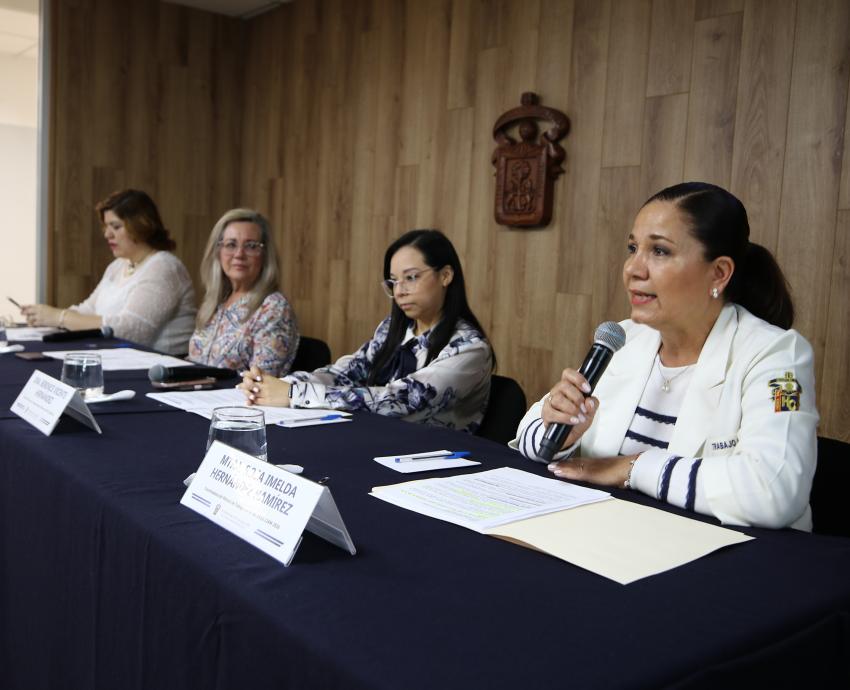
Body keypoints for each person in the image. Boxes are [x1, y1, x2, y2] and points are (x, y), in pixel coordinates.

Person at [512, 182, 818, 530]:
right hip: (609, 536)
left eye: (659, 251)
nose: (633, 269)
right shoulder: (624, 338)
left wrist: (631, 467)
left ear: (718, 273)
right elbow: (529, 434)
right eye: (633, 248)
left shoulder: (780, 357)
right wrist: (561, 437)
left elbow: (773, 490)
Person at [237, 229, 493, 432]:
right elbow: (346, 372)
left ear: (446, 275)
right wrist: (277, 384)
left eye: (411, 277)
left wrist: (295, 394)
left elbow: (403, 399)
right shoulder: (394, 329)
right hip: (377, 441)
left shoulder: (470, 348)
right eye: (393, 282)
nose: (400, 290)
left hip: (436, 465)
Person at [21, 189, 196, 355]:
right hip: (128, 362)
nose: (107, 235)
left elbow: (131, 330)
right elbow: (88, 310)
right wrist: (45, 317)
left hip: (164, 370)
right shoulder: (118, 265)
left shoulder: (164, 266)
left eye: (116, 226)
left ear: (141, 226)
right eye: (106, 226)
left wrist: (60, 317)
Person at [188, 209, 299, 376]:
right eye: (231, 245)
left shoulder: (273, 308)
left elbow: (261, 382)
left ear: (264, 254)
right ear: (218, 252)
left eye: (251, 246)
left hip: (236, 401)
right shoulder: (215, 301)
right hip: (191, 397)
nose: (239, 254)